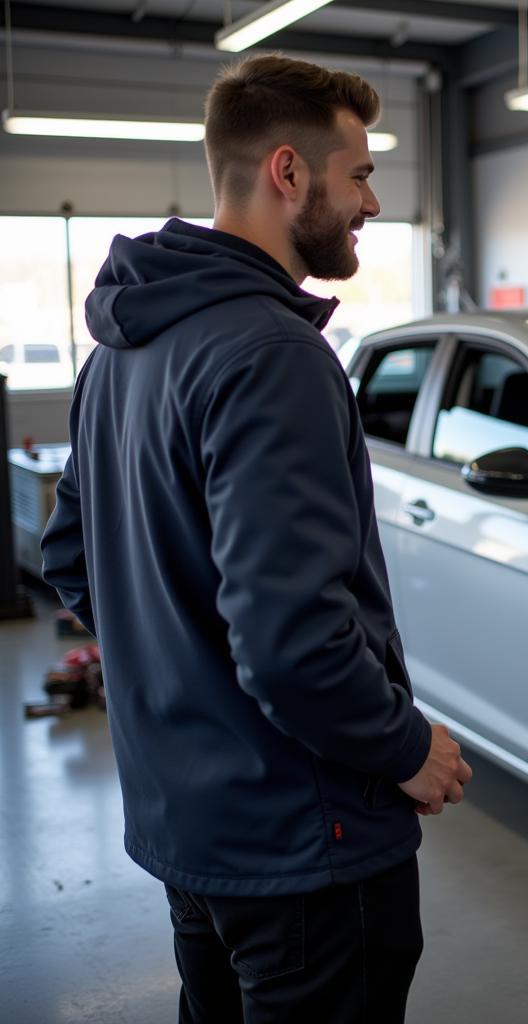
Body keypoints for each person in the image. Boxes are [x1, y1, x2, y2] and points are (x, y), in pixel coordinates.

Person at [40, 53, 471, 1024]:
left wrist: (180, 675)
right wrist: (406, 746)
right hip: (300, 843)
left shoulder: (125, 343)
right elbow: (292, 641)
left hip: (186, 825)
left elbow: (72, 551)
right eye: (358, 173)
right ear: (289, 171)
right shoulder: (274, 353)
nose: (369, 200)